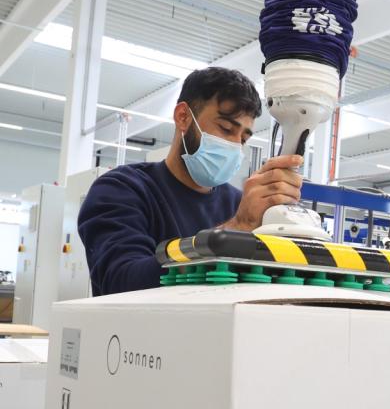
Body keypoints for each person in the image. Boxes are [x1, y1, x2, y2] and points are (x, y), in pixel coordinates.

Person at [79, 67, 304, 296]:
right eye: (226, 129)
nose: (235, 146)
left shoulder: (237, 203)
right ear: (183, 117)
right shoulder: (121, 190)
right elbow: (122, 283)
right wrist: (234, 231)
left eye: (244, 139)